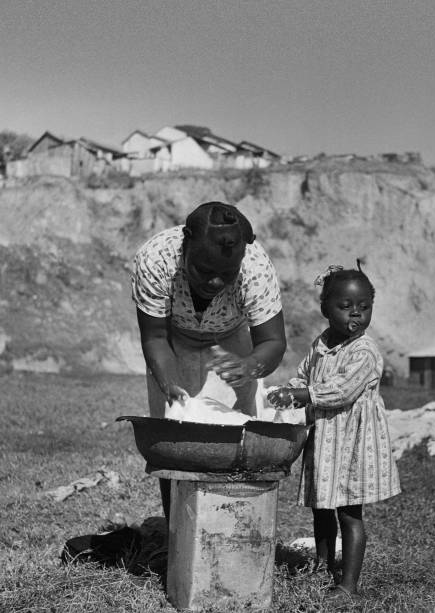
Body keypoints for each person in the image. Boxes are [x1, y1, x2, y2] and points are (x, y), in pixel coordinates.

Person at [131, 201, 287, 521]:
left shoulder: (255, 268)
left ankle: (235, 524)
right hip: (174, 339)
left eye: (226, 274)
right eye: (203, 270)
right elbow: (155, 338)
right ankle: (179, 532)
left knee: (243, 435)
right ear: (185, 247)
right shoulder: (155, 259)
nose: (215, 283)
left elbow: (272, 342)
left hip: (231, 336)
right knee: (173, 435)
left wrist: (249, 365)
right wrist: (169, 384)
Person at [268, 261, 400, 605]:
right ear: (325, 308)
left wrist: (303, 395)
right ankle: (323, 567)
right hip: (326, 439)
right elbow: (306, 375)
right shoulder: (323, 342)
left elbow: (341, 390)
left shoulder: (364, 351)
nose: (355, 315)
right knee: (321, 508)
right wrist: (289, 389)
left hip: (353, 442)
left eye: (363, 307)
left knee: (349, 514)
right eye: (344, 307)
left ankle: (349, 585)